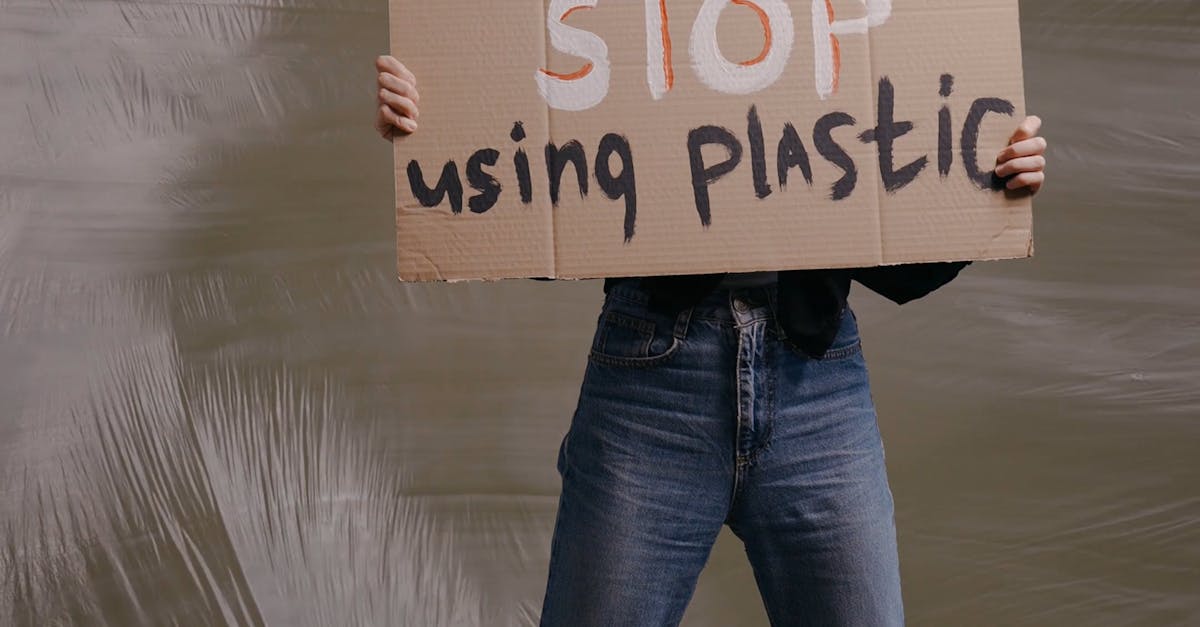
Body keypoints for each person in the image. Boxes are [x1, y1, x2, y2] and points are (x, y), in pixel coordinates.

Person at [373, 54, 1048, 626]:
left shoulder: (844, 30)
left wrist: (991, 182)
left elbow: (910, 266)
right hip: (651, 381)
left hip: (817, 382)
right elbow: (552, 204)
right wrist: (436, 126)